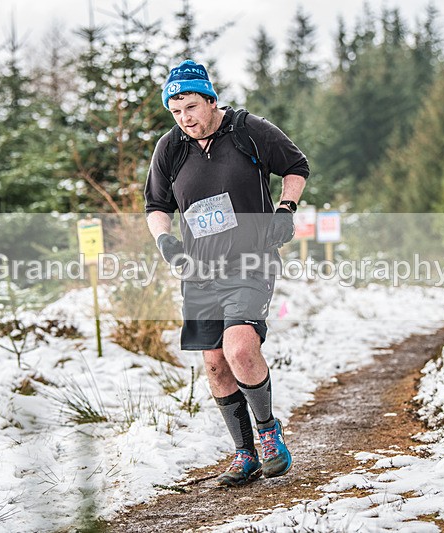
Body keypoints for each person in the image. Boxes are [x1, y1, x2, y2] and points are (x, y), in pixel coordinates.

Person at [144, 59, 309, 487]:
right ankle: (244, 453)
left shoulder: (247, 130)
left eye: (192, 107)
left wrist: (286, 209)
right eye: (177, 112)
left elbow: (296, 165)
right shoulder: (170, 148)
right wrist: (165, 241)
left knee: (238, 349)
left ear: (210, 99)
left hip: (251, 260)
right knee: (215, 364)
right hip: (199, 271)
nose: (186, 119)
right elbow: (156, 206)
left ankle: (270, 435)